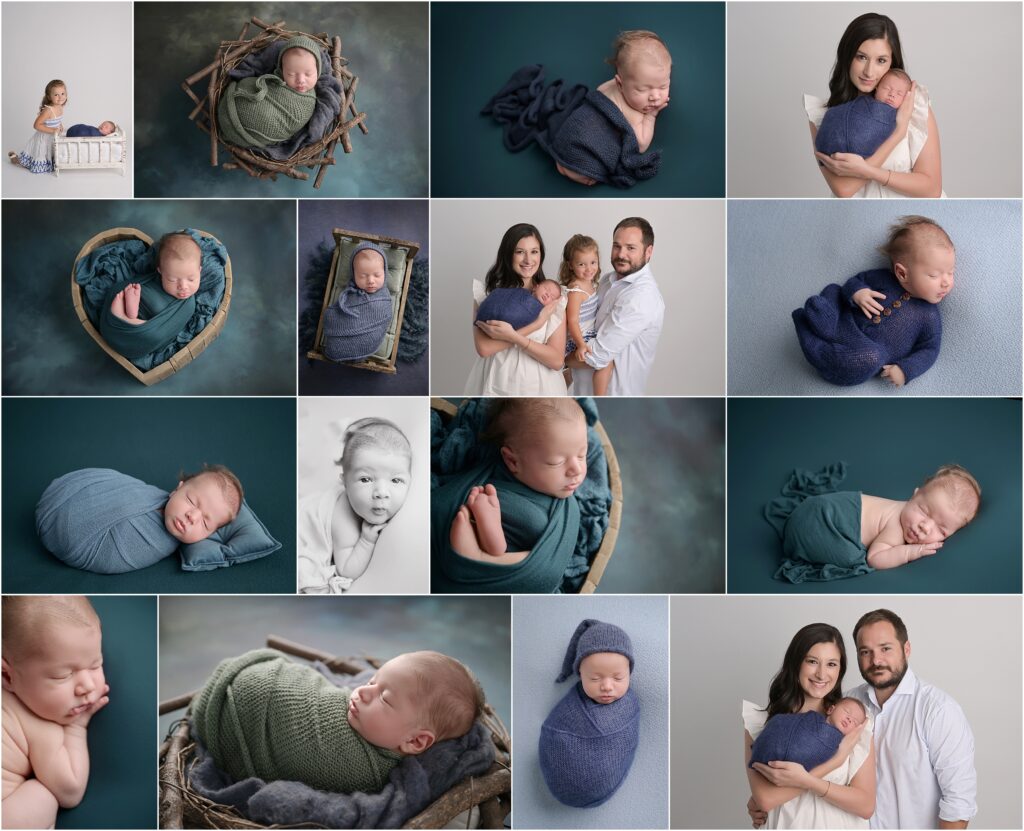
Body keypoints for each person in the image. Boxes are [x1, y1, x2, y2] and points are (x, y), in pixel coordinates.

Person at [190, 648, 485, 794]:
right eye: (372, 680)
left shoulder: (362, 773)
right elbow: (312, 695)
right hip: (259, 687)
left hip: (242, 714)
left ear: (414, 741)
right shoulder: (369, 720)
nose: (362, 692)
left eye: (384, 698)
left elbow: (298, 760)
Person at [849, 609, 976, 829]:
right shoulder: (850, 702)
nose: (876, 660)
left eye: (885, 649)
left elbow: (958, 803)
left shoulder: (938, 710)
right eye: (865, 652)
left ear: (906, 649)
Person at [793, 216, 954, 387]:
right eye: (934, 275)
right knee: (834, 290)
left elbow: (929, 350)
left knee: (872, 357)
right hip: (843, 320)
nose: (946, 282)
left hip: (863, 352)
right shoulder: (883, 278)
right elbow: (855, 281)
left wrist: (905, 370)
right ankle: (825, 322)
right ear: (902, 273)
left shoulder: (929, 316)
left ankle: (811, 339)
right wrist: (858, 292)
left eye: (951, 272)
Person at [743, 623, 876, 828]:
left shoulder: (853, 724)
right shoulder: (760, 723)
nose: (822, 675)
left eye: (832, 664)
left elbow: (866, 806)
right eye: (812, 661)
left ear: (840, 670)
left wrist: (805, 780)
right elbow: (766, 799)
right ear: (796, 663)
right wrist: (835, 761)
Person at [766, 462, 981, 584]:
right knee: (852, 558)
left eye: (941, 530)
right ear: (914, 496)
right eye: (924, 511)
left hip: (812, 510)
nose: (925, 527)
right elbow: (875, 558)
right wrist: (910, 553)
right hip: (820, 522)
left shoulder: (905, 513)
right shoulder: (896, 527)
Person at [1, 596, 110, 829]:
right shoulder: (39, 725)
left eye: (95, 665)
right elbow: (70, 792)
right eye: (62, 676)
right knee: (41, 796)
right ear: (7, 676)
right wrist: (76, 727)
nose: (87, 687)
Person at [806, 13, 943, 198]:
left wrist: (866, 170)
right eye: (861, 57)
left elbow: (931, 188)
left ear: (892, 62)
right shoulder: (823, 115)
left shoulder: (914, 105)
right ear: (847, 56)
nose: (869, 72)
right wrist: (897, 134)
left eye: (881, 60)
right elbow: (844, 190)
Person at [447, 398, 586, 562]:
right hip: (480, 521)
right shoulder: (494, 486)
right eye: (556, 462)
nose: (577, 469)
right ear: (512, 461)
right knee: (536, 525)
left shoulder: (566, 507)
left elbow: (555, 558)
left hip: (524, 554)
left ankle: (481, 556)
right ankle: (487, 550)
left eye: (582, 455)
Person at [36, 465, 244, 573]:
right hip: (66, 494)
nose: (192, 516)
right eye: (191, 500)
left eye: (205, 523)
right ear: (178, 489)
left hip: (77, 543)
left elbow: (112, 558)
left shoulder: (159, 544)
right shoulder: (149, 494)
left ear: (209, 535)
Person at [298, 418, 412, 594]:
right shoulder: (344, 517)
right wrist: (366, 541)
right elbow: (346, 569)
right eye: (365, 479)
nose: (381, 492)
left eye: (396, 480)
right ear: (345, 482)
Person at [540, 619, 640, 807]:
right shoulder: (567, 711)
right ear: (580, 675)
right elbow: (551, 733)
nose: (607, 687)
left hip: (602, 784)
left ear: (629, 674)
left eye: (618, 678)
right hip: (561, 781)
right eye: (595, 678)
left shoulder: (630, 707)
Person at [465, 224, 568, 395]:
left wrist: (513, 336)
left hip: (540, 387)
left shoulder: (552, 297)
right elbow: (484, 348)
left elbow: (557, 360)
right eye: (520, 252)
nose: (528, 260)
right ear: (508, 254)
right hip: (494, 380)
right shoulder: (487, 294)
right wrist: (536, 325)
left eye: (534, 251)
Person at [565, 217, 664, 395]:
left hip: (615, 398)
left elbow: (597, 356)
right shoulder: (605, 281)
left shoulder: (642, 297)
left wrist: (554, 359)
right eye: (616, 246)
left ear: (648, 251)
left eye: (631, 248)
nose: (621, 254)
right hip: (583, 395)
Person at [217, 37, 323, 149]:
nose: (301, 80)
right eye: (291, 74)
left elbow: (294, 122)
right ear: (282, 70)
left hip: (249, 129)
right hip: (233, 105)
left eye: (308, 74)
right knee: (248, 84)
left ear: (318, 71)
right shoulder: (276, 77)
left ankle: (236, 124)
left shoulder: (307, 102)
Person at [321, 242, 394, 362]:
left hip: (369, 338)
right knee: (329, 315)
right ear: (354, 275)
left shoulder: (384, 299)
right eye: (363, 276)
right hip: (341, 333)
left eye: (377, 275)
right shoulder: (350, 293)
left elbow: (384, 315)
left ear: (385, 273)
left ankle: (359, 349)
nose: (370, 281)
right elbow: (336, 315)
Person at [558, 234, 612, 395]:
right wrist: (581, 345)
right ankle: (600, 398)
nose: (589, 269)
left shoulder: (591, 284)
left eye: (593, 263)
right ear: (571, 265)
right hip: (577, 341)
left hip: (589, 335)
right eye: (582, 264)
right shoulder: (576, 289)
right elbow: (572, 321)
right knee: (605, 362)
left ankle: (566, 374)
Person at [109, 232, 203, 325]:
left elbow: (169, 329)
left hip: (155, 327)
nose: (183, 286)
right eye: (172, 280)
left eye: (191, 279)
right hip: (146, 302)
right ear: (160, 271)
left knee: (159, 312)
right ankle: (132, 313)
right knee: (129, 292)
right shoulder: (151, 281)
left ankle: (128, 319)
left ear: (199, 270)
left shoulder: (188, 305)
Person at [815, 70, 913, 158]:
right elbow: (838, 112)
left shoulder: (896, 116)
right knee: (832, 114)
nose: (892, 94)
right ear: (877, 88)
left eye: (899, 93)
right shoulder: (863, 100)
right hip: (832, 134)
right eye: (887, 88)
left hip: (856, 152)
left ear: (906, 99)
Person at [749, 697, 868, 770]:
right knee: (778, 722)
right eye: (847, 712)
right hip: (777, 743)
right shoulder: (811, 719)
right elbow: (782, 723)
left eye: (855, 722)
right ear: (831, 709)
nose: (849, 719)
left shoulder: (842, 746)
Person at [8, 80, 67, 174]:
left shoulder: (60, 107)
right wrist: (53, 130)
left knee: (51, 152)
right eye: (56, 95)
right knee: (41, 153)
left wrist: (60, 124)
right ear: (49, 96)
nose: (60, 97)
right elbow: (36, 125)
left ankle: (49, 164)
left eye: (63, 93)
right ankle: (16, 160)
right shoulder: (48, 110)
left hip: (52, 136)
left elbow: (56, 120)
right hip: (44, 138)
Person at [474, 278, 562, 330]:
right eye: (546, 289)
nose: (548, 294)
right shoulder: (520, 292)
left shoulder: (544, 313)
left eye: (552, 297)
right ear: (536, 287)